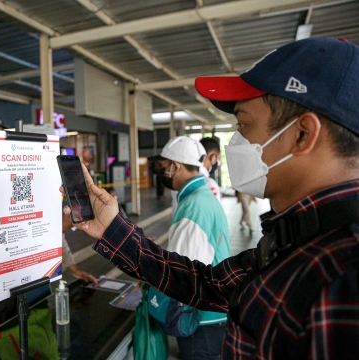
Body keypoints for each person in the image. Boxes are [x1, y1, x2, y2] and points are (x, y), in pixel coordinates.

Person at [62, 38, 359, 359]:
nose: (237, 141)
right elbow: (210, 284)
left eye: (244, 124)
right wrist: (113, 229)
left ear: (303, 134)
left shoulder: (344, 277)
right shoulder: (299, 237)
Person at [154, 136, 230, 360]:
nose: (162, 172)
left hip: (202, 321)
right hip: (213, 313)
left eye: (164, 166)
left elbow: (181, 274)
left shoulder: (194, 206)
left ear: (175, 166)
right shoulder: (202, 196)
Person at [199, 137, 222, 202]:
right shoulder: (209, 183)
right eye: (218, 158)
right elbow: (216, 211)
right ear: (213, 157)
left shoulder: (181, 179)